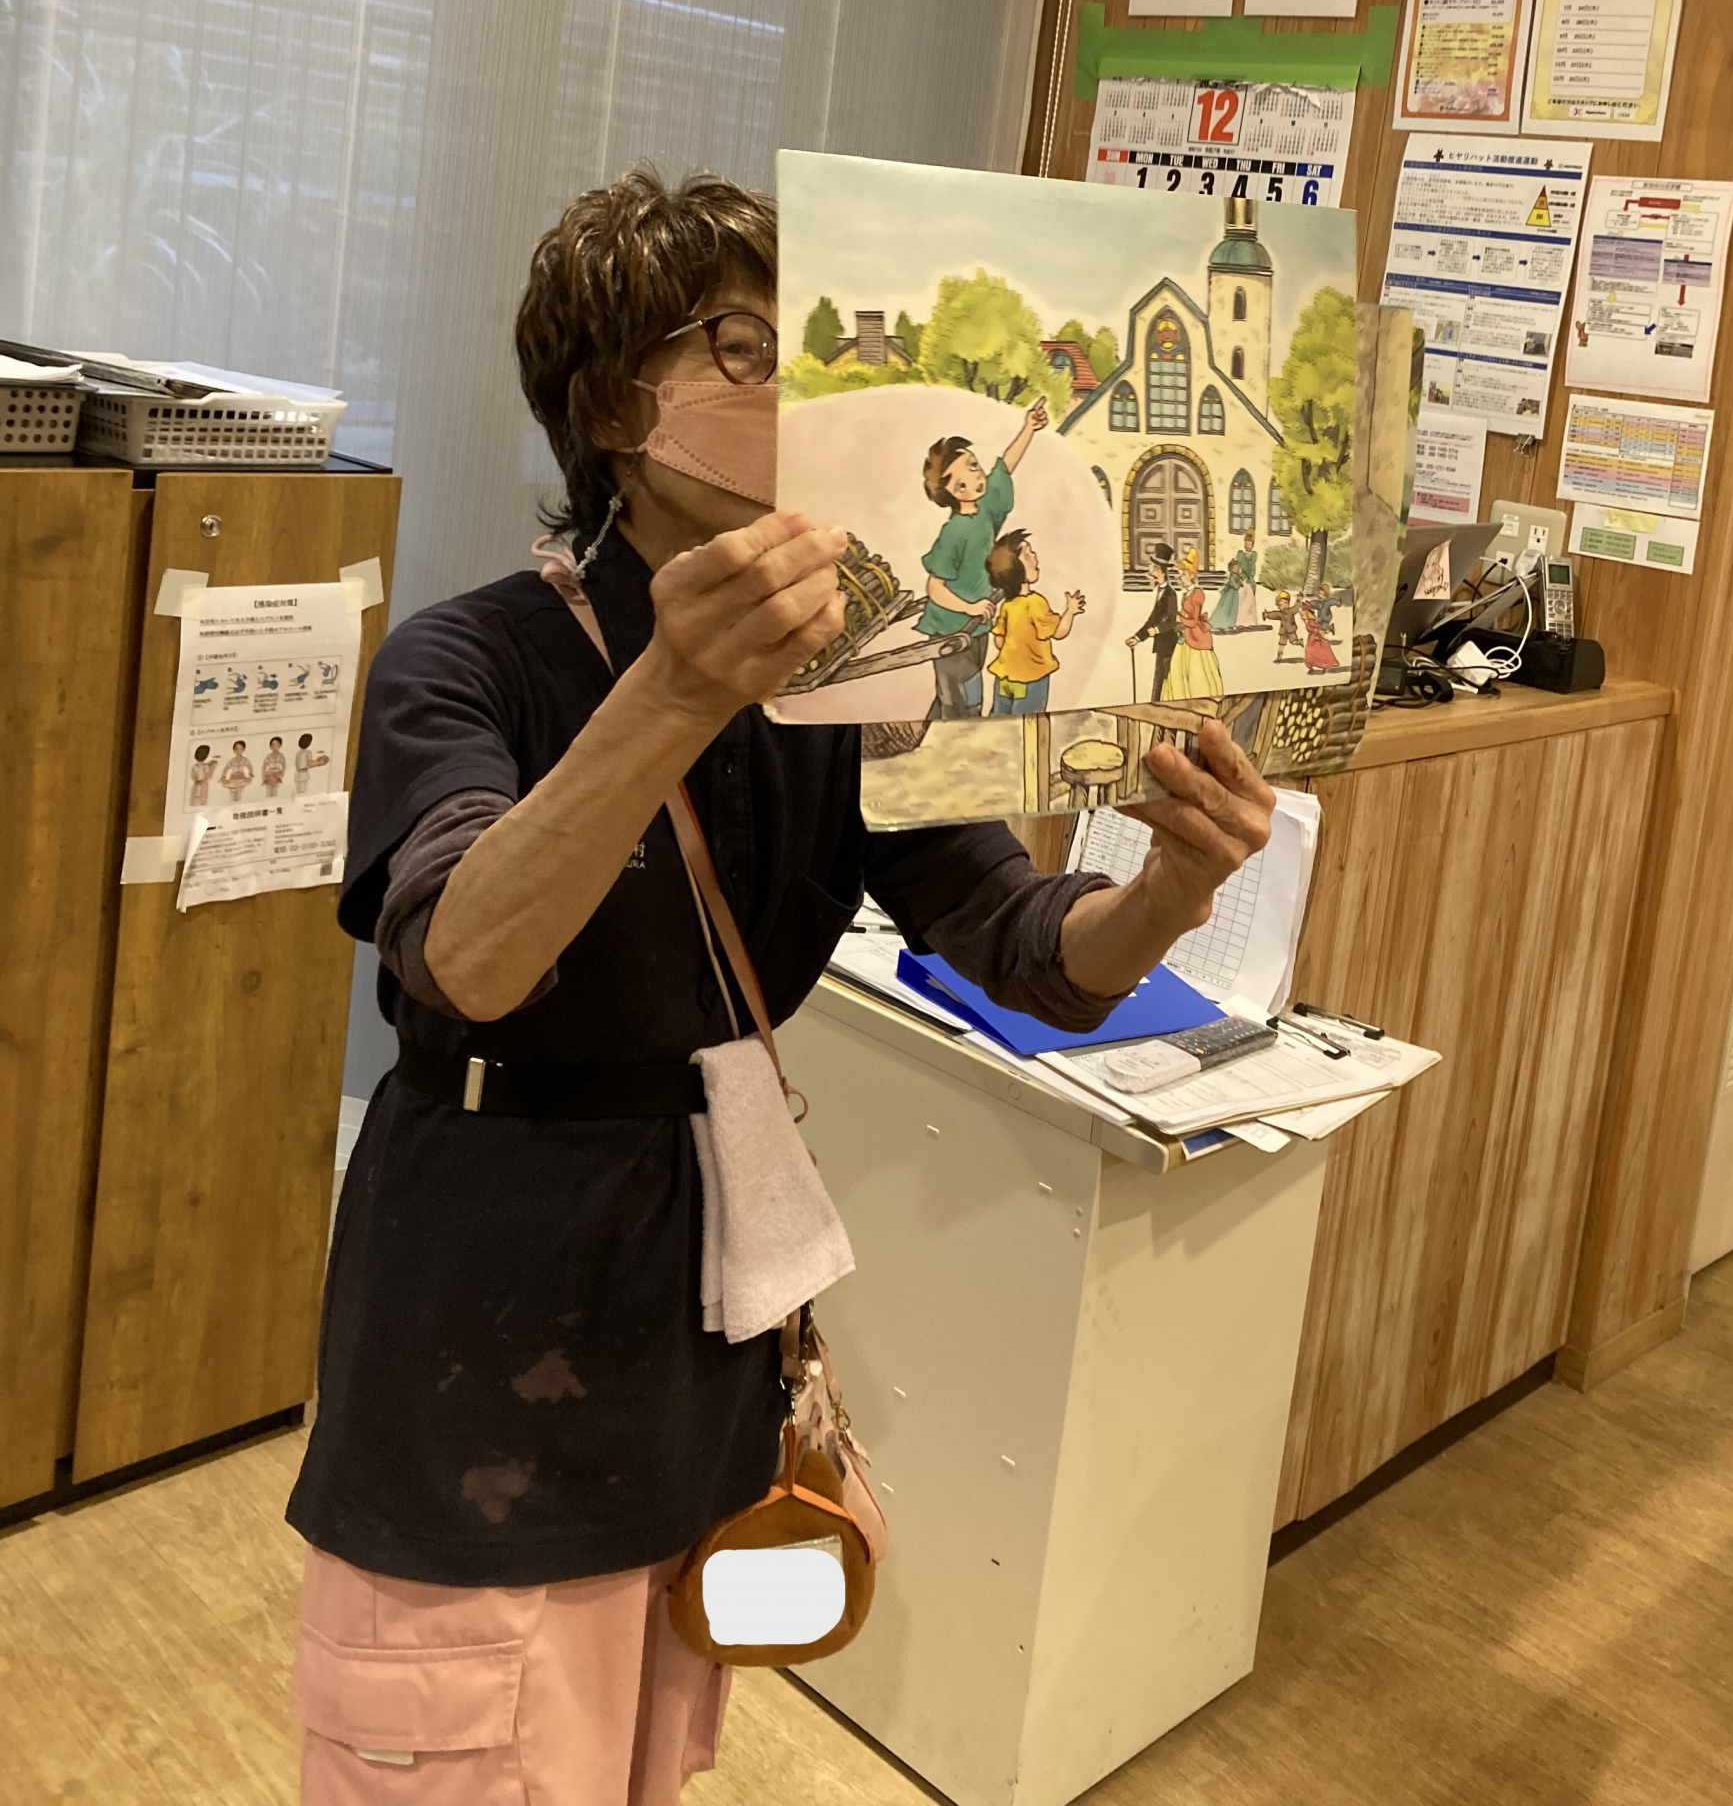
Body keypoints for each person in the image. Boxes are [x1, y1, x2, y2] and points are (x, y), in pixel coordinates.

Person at [285, 167, 1274, 1805]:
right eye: (744, 348)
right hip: (479, 1352)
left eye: (805, 344)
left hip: (706, 1353)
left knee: (649, 1765)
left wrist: (1171, 891)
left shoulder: (852, 684)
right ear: (614, 409)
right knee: (466, 1749)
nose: (797, 388)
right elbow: (465, 958)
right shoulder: (465, 660)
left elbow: (1031, 952)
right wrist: (673, 692)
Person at [916, 401, 1048, 717]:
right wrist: (969, 607)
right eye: (960, 484)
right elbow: (934, 587)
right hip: (951, 627)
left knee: (957, 695)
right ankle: (954, 740)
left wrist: (1029, 428)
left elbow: (1005, 467)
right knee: (964, 699)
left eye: (974, 466)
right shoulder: (954, 532)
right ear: (950, 493)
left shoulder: (985, 509)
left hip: (977, 624)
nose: (974, 481)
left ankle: (934, 734)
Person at [984, 527, 1083, 715]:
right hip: (1031, 677)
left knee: (999, 719)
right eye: (1028, 556)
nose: (1035, 557)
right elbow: (1059, 633)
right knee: (1027, 722)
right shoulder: (1035, 603)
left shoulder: (1007, 605)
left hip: (1004, 677)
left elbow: (999, 641)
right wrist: (1070, 611)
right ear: (1016, 571)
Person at [1125, 541, 1180, 700]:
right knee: (1158, 683)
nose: (1151, 572)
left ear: (1162, 572)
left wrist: (1156, 630)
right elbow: (1152, 620)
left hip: (1169, 645)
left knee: (1169, 683)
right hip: (1161, 645)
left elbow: (1171, 621)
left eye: (1154, 569)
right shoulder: (1159, 592)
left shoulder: (1170, 594)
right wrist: (1137, 638)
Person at [1166, 558, 1224, 701]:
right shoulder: (1186, 593)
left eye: (1184, 574)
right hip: (1185, 635)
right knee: (1177, 669)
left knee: (1197, 674)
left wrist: (1180, 619)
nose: (1180, 577)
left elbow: (1193, 621)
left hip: (1195, 637)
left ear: (1192, 576)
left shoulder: (1197, 593)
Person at [1211, 529, 1260, 634]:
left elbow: (1252, 569)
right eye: (1246, 544)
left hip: (1248, 580)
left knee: (1249, 600)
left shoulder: (1253, 555)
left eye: (1250, 544)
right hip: (1240, 578)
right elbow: (1238, 566)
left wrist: (1249, 577)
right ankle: (1238, 621)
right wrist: (1240, 576)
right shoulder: (1240, 554)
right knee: (1239, 600)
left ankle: (1249, 621)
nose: (1248, 546)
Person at [1301, 584, 1341, 676]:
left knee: (1322, 634)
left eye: (1321, 593)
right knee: (1321, 632)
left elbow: (1333, 601)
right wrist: (1308, 605)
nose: (1319, 595)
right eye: (1318, 593)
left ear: (1325, 594)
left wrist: (1337, 603)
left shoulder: (1327, 602)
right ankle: (1329, 630)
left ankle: (1323, 658)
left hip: (1326, 619)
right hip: (1319, 620)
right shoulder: (1318, 603)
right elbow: (1313, 604)